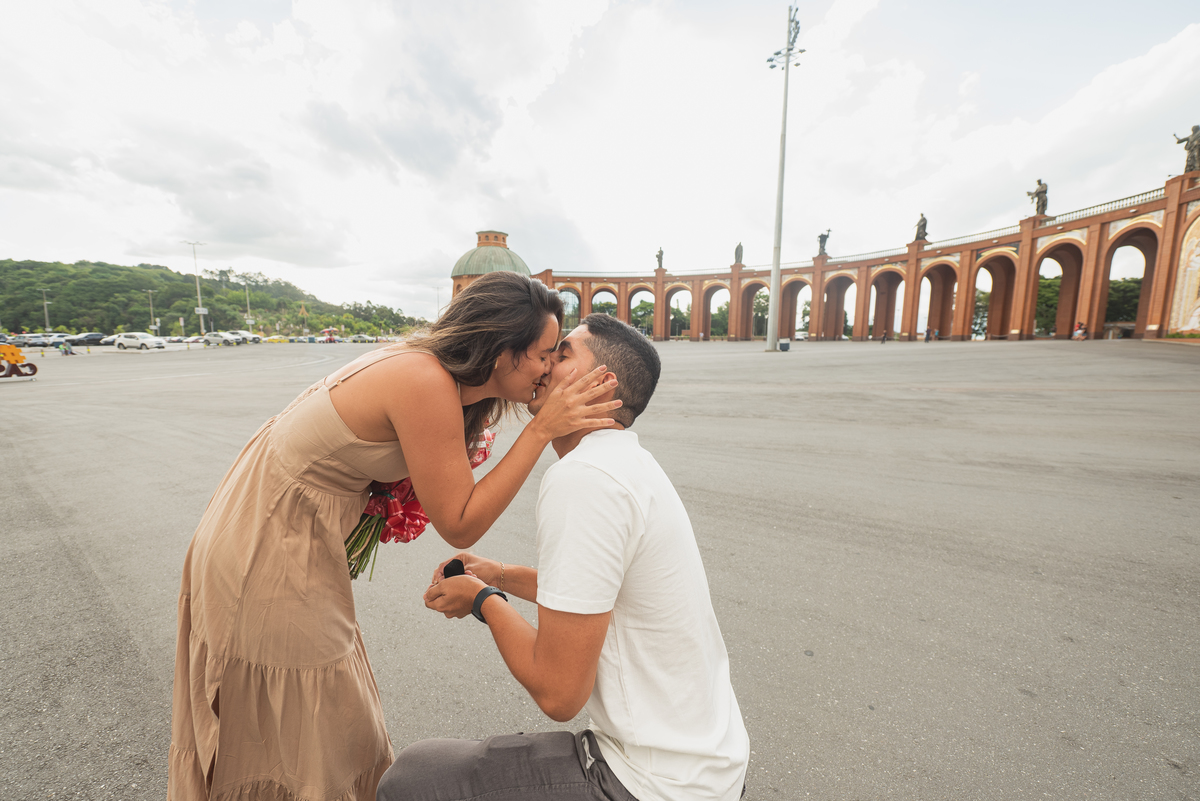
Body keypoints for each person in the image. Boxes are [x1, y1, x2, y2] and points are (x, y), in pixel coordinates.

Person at [169, 272, 622, 800]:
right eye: (545, 354)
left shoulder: (440, 379)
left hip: (286, 533)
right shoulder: (424, 380)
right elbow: (459, 522)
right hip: (266, 542)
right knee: (307, 714)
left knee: (330, 712)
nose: (548, 370)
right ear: (504, 351)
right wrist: (541, 431)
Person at [382, 314, 749, 801]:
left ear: (601, 384)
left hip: (649, 782)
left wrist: (484, 600)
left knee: (413, 778)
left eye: (564, 353)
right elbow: (593, 594)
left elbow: (558, 693)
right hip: (710, 763)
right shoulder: (628, 460)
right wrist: (502, 574)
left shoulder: (585, 479)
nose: (544, 361)